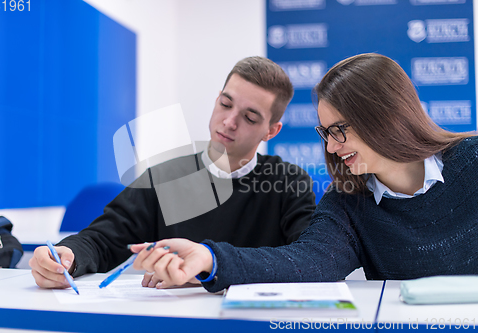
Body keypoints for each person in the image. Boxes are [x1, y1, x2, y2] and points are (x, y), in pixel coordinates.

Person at [132, 53, 478, 292]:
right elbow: (308, 261)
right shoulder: (347, 202)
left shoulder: (472, 162)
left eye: (339, 130)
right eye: (326, 132)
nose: (331, 147)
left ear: (384, 114)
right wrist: (210, 258)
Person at [29, 56, 316, 290]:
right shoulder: (163, 177)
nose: (229, 122)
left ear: (271, 131)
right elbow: (104, 238)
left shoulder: (288, 182)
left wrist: (210, 266)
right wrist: (68, 257)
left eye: (249, 117)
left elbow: (309, 259)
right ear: (216, 99)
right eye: (225, 104)